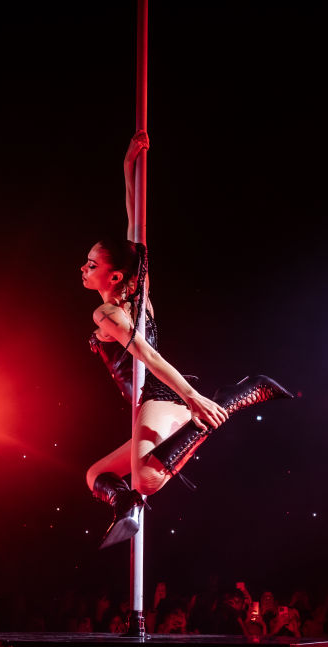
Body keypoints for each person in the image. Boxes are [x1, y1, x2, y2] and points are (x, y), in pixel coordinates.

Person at [82, 132, 294, 547]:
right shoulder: (139, 294)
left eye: (91, 264)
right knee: (96, 475)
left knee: (146, 478)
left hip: (162, 393)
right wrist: (128, 166)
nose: (83, 269)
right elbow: (136, 225)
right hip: (152, 399)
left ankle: (230, 399)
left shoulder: (107, 314)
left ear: (114, 275)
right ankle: (126, 505)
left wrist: (194, 398)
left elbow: (148, 357)